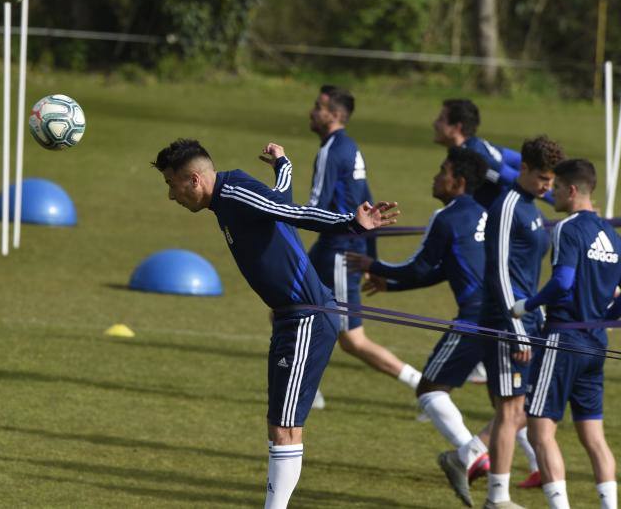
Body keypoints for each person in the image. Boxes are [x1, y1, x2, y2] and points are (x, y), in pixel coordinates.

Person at [152, 138, 399, 509]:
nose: (171, 195)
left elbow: (292, 211)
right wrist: (284, 165)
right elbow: (279, 197)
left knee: (285, 428)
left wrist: (351, 222)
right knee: (279, 426)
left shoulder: (233, 193)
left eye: (172, 184)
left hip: (306, 318)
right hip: (290, 318)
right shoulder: (227, 196)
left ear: (194, 180)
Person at [348, 148, 494, 499]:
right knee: (510, 401)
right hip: (507, 316)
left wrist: (373, 265)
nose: (435, 177)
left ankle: (469, 455)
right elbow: (443, 270)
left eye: (442, 171)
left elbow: (417, 266)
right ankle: (528, 475)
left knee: (429, 389)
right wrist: (391, 286)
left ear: (458, 182)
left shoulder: (446, 218)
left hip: (476, 318)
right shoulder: (486, 214)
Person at [304, 85, 421, 409]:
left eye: (318, 107)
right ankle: (306, 390)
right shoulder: (351, 147)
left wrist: (274, 214)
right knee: (285, 309)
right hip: (330, 248)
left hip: (341, 253)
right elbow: (370, 207)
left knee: (352, 340)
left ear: (334, 115)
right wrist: (374, 260)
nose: (311, 112)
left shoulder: (331, 151)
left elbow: (314, 207)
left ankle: (424, 387)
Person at [512, 159, 619, 509]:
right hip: (596, 344)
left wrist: (527, 305)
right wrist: (601, 318)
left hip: (562, 340)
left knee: (540, 430)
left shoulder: (566, 229)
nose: (551, 193)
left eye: (556, 188)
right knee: (594, 438)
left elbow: (562, 283)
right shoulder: (613, 236)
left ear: (572, 190)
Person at [478, 136, 566, 509]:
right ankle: (497, 498)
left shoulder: (532, 207)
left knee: (521, 408)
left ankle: (469, 456)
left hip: (528, 322)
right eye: (542, 178)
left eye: (552, 181)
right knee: (511, 410)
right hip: (505, 323)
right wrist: (516, 332)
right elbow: (499, 273)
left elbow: (528, 277)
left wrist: (538, 318)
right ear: (524, 169)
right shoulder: (508, 206)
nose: (548, 186)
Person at [433, 98, 541, 209]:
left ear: (456, 127)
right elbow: (519, 160)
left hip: (509, 216)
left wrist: (548, 191)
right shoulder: (477, 143)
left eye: (441, 119)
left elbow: (519, 179)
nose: (435, 123)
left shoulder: (472, 156)